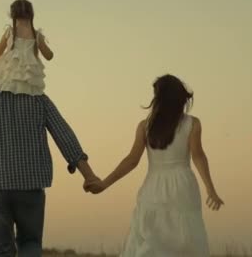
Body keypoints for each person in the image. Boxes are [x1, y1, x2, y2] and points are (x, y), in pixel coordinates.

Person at [85, 74, 224, 256]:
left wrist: (105, 183)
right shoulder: (192, 123)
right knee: (185, 241)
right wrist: (210, 189)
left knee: (151, 241)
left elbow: (131, 160)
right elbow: (198, 156)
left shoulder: (145, 126)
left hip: (154, 186)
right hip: (183, 186)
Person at [0, 85, 98, 257]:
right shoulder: (39, 99)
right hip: (30, 183)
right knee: (30, 243)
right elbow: (65, 136)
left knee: (0, 249)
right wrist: (88, 175)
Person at [0, 0, 53, 96]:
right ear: (31, 14)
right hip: (29, 82)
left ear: (12, 15)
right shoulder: (36, 35)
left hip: (8, 80)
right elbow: (49, 56)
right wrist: (41, 42)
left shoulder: (10, 32)